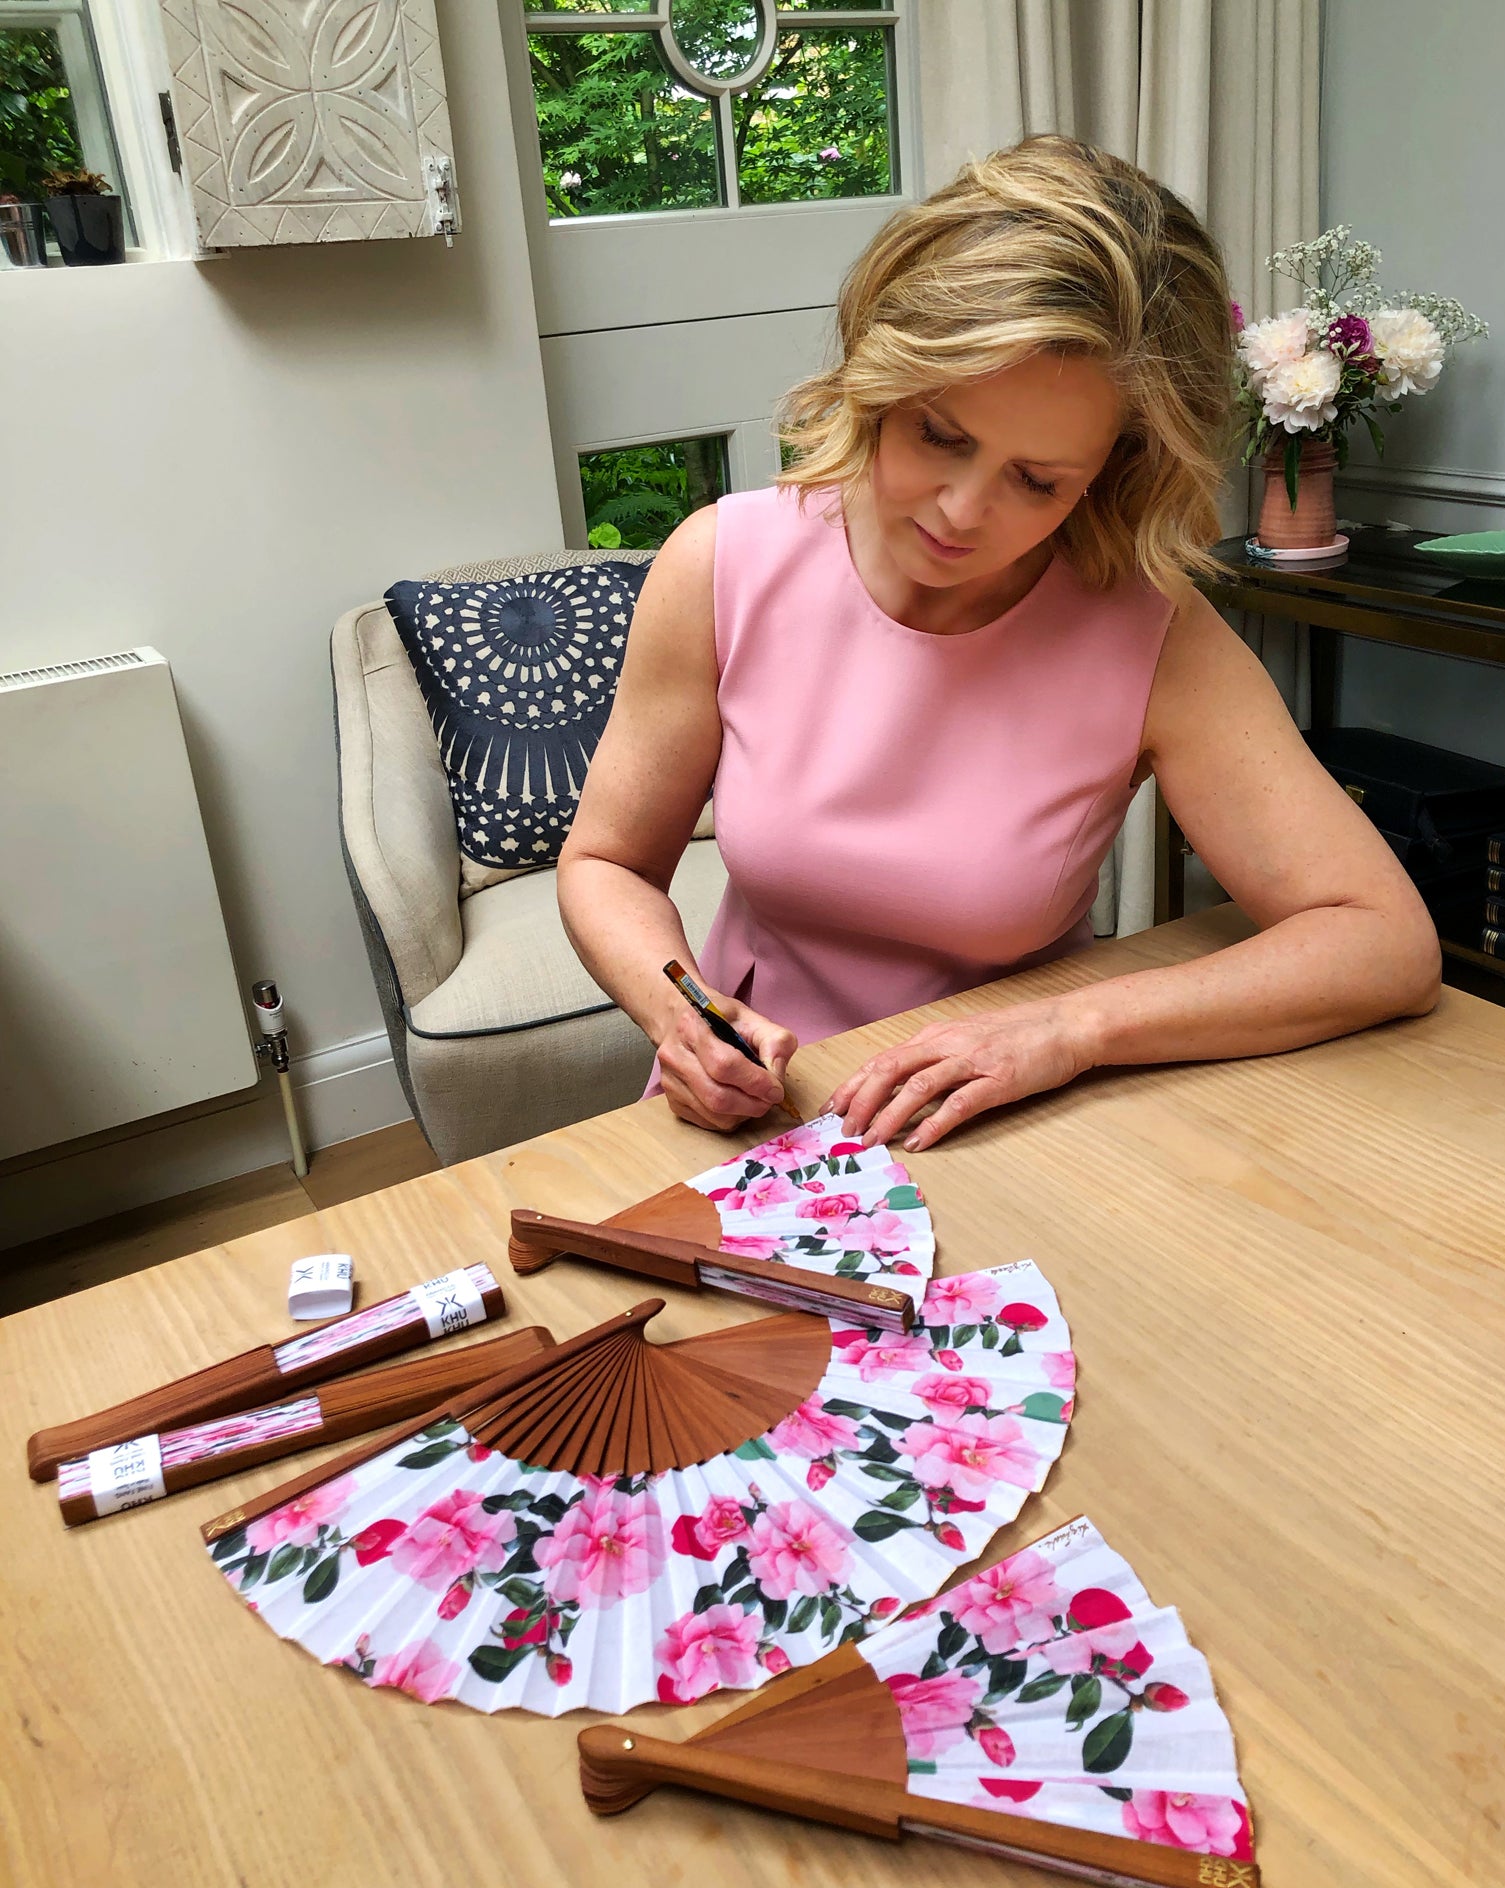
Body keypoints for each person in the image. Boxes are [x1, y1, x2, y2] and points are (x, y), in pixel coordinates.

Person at [557, 136, 1440, 1154]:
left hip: (1004, 1132)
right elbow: (607, 862)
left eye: (1039, 481)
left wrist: (1076, 1028)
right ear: (883, 372)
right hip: (751, 1122)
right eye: (939, 433)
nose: (961, 513)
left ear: (1114, 473)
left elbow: (1385, 943)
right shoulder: (722, 564)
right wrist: (679, 1012)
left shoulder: (1150, 633)